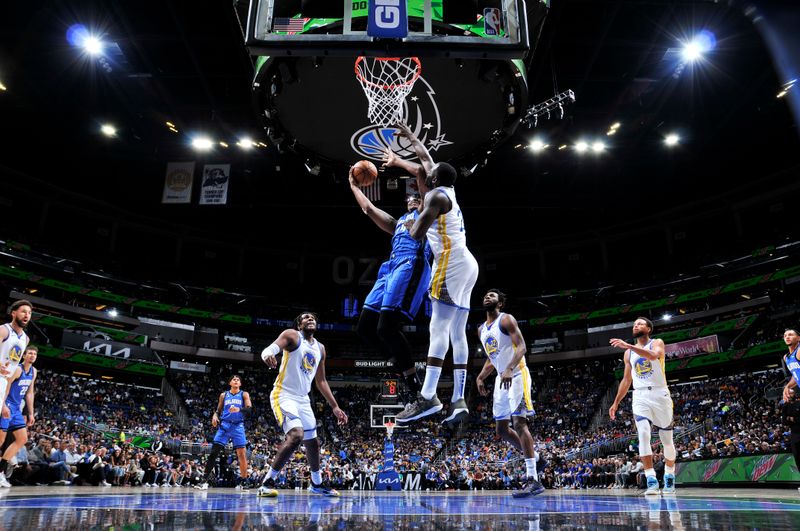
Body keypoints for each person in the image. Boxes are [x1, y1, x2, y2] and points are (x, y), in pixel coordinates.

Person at [385, 124, 479, 426]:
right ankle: (458, 399)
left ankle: (428, 396)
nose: (424, 172)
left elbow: (416, 232)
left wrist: (406, 223)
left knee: (438, 330)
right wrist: (408, 141)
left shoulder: (436, 198)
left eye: (428, 173)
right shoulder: (446, 188)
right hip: (468, 263)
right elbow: (424, 157)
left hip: (450, 264)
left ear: (434, 178)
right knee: (457, 331)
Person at [348, 168, 432, 399]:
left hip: (411, 263)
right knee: (365, 327)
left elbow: (424, 185)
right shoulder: (398, 223)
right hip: (391, 268)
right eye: (410, 198)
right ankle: (400, 363)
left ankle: (415, 382)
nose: (413, 199)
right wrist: (354, 186)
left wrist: (403, 164)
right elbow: (368, 208)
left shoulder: (428, 214)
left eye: (417, 197)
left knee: (387, 327)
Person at [258, 312, 348, 497]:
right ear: (299, 324)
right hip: (283, 394)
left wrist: (335, 406)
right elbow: (269, 349)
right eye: (306, 317)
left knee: (313, 443)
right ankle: (266, 483)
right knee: (296, 435)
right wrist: (267, 355)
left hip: (303, 399)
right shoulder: (291, 335)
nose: (310, 319)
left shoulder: (320, 348)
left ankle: (316, 484)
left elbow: (321, 381)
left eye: (313, 317)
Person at [474, 289, 544, 498]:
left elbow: (521, 347)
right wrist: (480, 377)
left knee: (519, 423)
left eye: (493, 296)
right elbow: (491, 357)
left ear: (500, 303)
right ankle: (538, 458)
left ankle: (534, 480)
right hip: (500, 377)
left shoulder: (506, 320)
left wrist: (509, 368)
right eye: (486, 295)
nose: (488, 297)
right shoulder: (481, 330)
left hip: (517, 374)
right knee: (502, 430)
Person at [608, 317, 676, 495]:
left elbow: (654, 355)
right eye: (634, 324)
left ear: (648, 329)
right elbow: (626, 380)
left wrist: (628, 346)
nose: (635, 325)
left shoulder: (656, 342)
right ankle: (651, 479)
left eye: (639, 323)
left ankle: (669, 475)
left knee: (666, 440)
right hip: (640, 395)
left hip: (660, 393)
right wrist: (616, 402)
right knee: (643, 434)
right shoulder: (628, 354)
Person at [195, 375, 252, 490]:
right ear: (230, 382)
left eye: (238, 380)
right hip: (225, 425)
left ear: (240, 384)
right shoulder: (224, 395)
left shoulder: (244, 394)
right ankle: (204, 481)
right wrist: (215, 416)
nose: (236, 381)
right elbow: (218, 411)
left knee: (241, 455)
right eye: (234, 379)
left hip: (238, 426)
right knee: (213, 453)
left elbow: (249, 409)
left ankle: (244, 481)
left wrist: (239, 409)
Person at [0, 345, 36, 488]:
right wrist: (3, 405)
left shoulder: (33, 371)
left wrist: (31, 413)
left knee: (22, 439)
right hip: (7, 405)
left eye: (34, 354)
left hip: (16, 409)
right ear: (24, 356)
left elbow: (29, 393)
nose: (32, 355)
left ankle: (0, 471)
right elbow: (6, 385)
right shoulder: (18, 369)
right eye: (30, 353)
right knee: (1, 440)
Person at [0, 300, 32, 416]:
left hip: (3, 382)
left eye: (29, 313)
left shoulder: (26, 339)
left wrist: (3, 403)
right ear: (13, 313)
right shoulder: (3, 330)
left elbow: (10, 375)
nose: (27, 315)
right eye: (23, 312)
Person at [782, 328, 799, 402]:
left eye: (790, 335)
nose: (787, 337)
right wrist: (788, 386)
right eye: (785, 336)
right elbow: (796, 375)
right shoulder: (786, 357)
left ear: (798, 338)